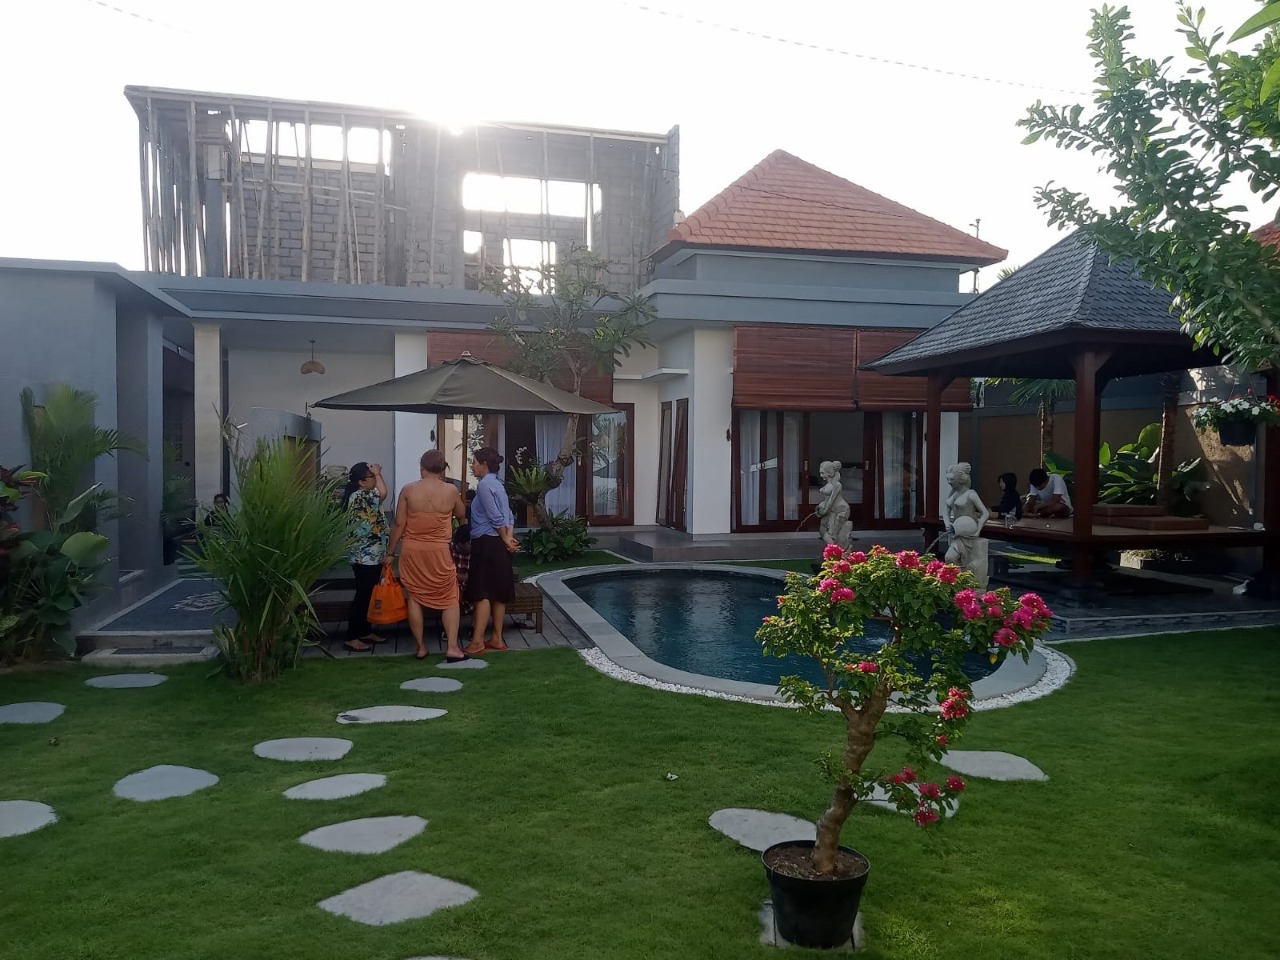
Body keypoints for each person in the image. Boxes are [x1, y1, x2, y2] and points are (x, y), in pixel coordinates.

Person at [388, 450, 468, 661]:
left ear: (421, 468)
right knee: (450, 597)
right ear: (442, 469)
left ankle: (420, 647)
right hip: (438, 550)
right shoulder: (451, 490)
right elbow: (462, 514)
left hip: (412, 549)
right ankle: (452, 647)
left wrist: (390, 552)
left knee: (415, 596)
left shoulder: (408, 490)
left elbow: (399, 524)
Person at [465, 446, 520, 655]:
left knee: (482, 593)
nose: (472, 466)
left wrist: (506, 539)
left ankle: (477, 641)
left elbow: (495, 516)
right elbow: (509, 516)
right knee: (497, 592)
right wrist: (508, 538)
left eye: (474, 462)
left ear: (484, 464)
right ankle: (496, 638)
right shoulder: (498, 484)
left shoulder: (484, 485)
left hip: (486, 543)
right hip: (498, 542)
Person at [341, 462, 388, 652]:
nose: (375, 479)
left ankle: (364, 630)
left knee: (368, 595)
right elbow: (383, 493)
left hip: (371, 554)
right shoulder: (360, 495)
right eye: (371, 477)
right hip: (364, 556)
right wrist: (379, 473)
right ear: (361, 482)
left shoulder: (364, 495)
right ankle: (352, 636)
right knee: (363, 595)